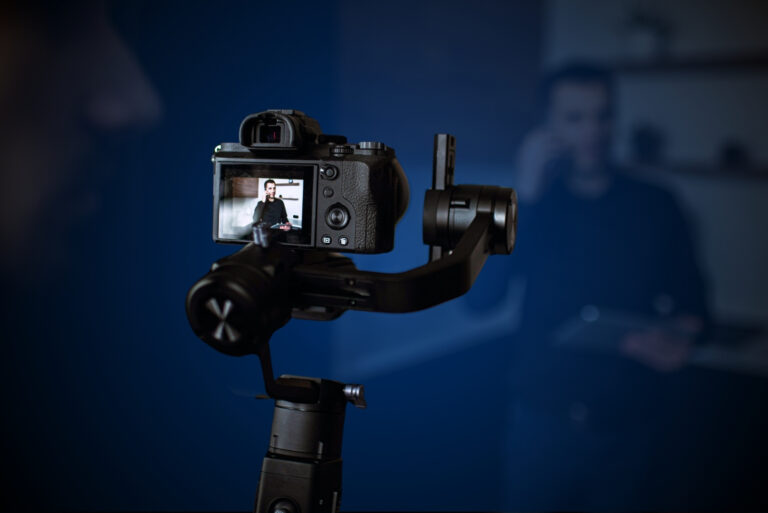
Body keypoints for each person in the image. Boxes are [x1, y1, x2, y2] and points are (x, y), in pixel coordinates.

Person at [486, 63, 710, 511]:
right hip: (540, 422)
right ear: (548, 127)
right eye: (575, 118)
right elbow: (481, 298)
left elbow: (696, 304)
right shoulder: (531, 205)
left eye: (602, 116)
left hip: (629, 425)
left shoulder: (657, 203)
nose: (592, 131)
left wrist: (681, 337)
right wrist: (523, 196)